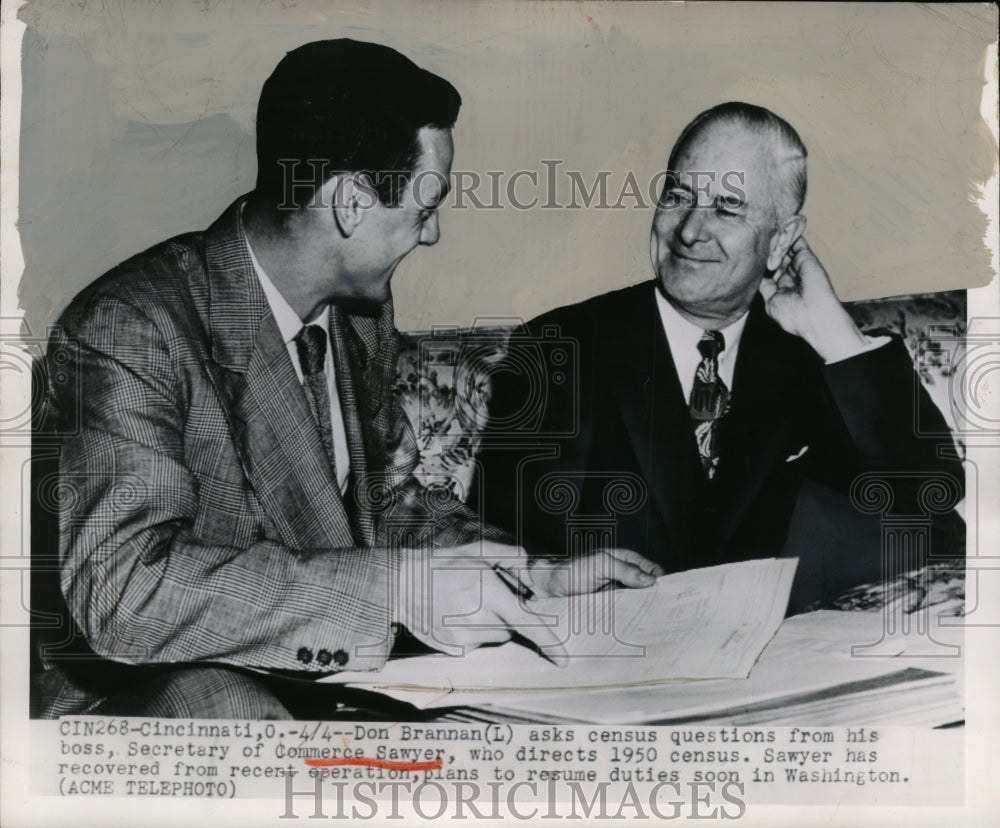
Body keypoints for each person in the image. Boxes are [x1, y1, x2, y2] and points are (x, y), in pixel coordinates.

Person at [34, 39, 660, 719]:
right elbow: (123, 592)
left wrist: (524, 574)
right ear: (352, 202)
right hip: (157, 699)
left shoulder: (358, 315)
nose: (432, 236)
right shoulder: (128, 327)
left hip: (318, 678)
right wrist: (396, 591)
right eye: (425, 208)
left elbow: (387, 503)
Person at [476, 102, 963, 610]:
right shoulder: (560, 346)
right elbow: (510, 548)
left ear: (781, 240)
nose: (689, 231)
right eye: (678, 196)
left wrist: (836, 335)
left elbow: (933, 506)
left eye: (727, 208)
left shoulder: (816, 354)